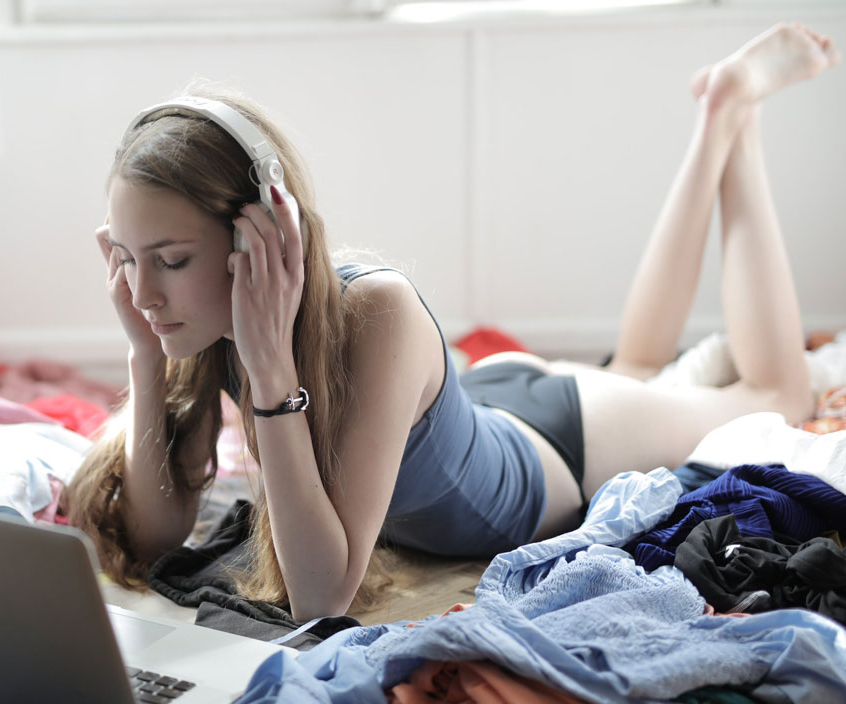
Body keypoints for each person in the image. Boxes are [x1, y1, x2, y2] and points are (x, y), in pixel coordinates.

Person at [64, 23, 841, 621]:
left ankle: (734, 116)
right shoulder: (206, 325)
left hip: (556, 448)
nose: (145, 292)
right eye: (128, 260)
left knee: (776, 391)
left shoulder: (376, 308)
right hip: (482, 405)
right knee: (636, 365)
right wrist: (142, 357)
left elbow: (322, 596)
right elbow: (158, 536)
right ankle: (715, 119)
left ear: (256, 236)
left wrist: (271, 377)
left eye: (168, 259)